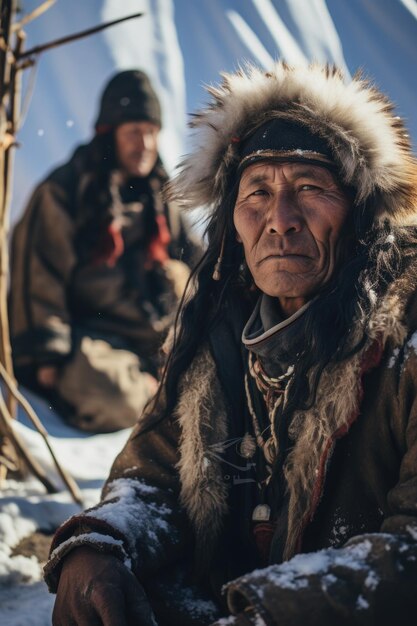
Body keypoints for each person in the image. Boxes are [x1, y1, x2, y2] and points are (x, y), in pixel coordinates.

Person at [44, 63, 417, 625]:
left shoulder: (404, 342)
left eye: (310, 189)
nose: (281, 220)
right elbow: (153, 475)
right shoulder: (215, 338)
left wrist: (272, 611)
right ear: (233, 227)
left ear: (361, 212)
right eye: (257, 192)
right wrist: (101, 543)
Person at [9, 69, 200, 433]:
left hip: (151, 339)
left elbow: (198, 260)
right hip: (89, 338)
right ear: (109, 133)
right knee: (115, 396)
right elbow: (39, 275)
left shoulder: (160, 193)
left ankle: (157, 385)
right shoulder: (66, 190)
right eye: (133, 133)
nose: (143, 144)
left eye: (151, 132)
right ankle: (147, 393)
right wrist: (46, 355)